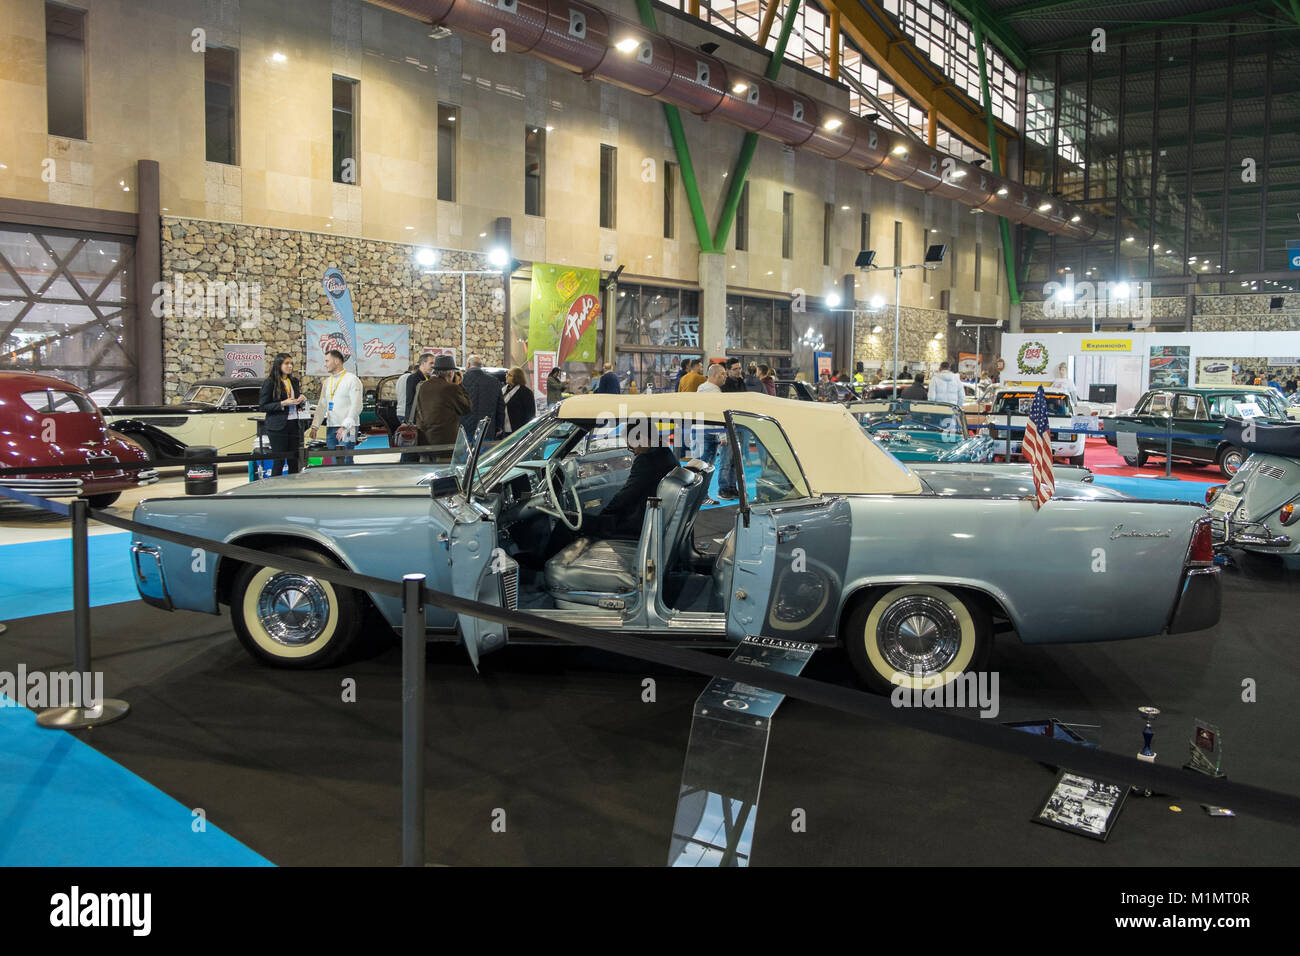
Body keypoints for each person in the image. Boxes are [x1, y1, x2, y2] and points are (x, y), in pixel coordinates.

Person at [309, 349, 363, 465]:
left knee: (346, 460)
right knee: (334, 462)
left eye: (327, 361)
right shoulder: (327, 382)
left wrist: (345, 426)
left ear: (337, 361)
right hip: (331, 427)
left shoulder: (352, 379)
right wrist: (315, 426)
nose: (325, 364)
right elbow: (322, 404)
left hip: (349, 428)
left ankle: (348, 483)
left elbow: (357, 405)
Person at [693, 365, 739, 500]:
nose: (725, 376)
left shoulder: (701, 389)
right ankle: (701, 496)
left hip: (700, 431)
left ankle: (699, 495)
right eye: (723, 374)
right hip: (710, 433)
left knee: (701, 464)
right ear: (714, 375)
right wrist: (723, 435)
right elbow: (717, 417)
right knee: (706, 467)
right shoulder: (715, 394)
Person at [411, 354, 470, 457]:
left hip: (424, 442)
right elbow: (467, 408)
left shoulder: (423, 385)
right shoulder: (451, 388)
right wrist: (459, 384)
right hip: (444, 445)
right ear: (451, 373)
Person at [259, 352, 308, 475]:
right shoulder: (270, 382)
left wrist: (301, 400)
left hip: (294, 424)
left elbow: (297, 402)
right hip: (277, 427)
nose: (290, 366)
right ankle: (276, 490)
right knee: (279, 461)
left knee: (294, 460)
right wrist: (282, 403)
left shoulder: (294, 381)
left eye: (291, 363)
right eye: (286, 363)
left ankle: (293, 488)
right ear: (279, 364)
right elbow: (263, 406)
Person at [460, 354, 505, 441]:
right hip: (486, 430)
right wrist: (499, 426)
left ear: (468, 365)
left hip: (464, 431)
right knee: (485, 454)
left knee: (466, 454)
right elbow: (500, 406)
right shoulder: (494, 381)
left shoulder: (461, 381)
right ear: (480, 366)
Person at [502, 366, 535, 435]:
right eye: (507, 374)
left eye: (509, 375)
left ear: (517, 378)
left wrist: (526, 430)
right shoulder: (503, 390)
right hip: (503, 429)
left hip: (518, 429)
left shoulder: (525, 392)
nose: (506, 376)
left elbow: (530, 413)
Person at [404, 353, 436, 422]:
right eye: (431, 363)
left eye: (434, 364)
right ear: (423, 363)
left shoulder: (429, 378)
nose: (433, 366)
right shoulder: (413, 378)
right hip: (416, 420)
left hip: (426, 418)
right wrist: (409, 420)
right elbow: (410, 401)